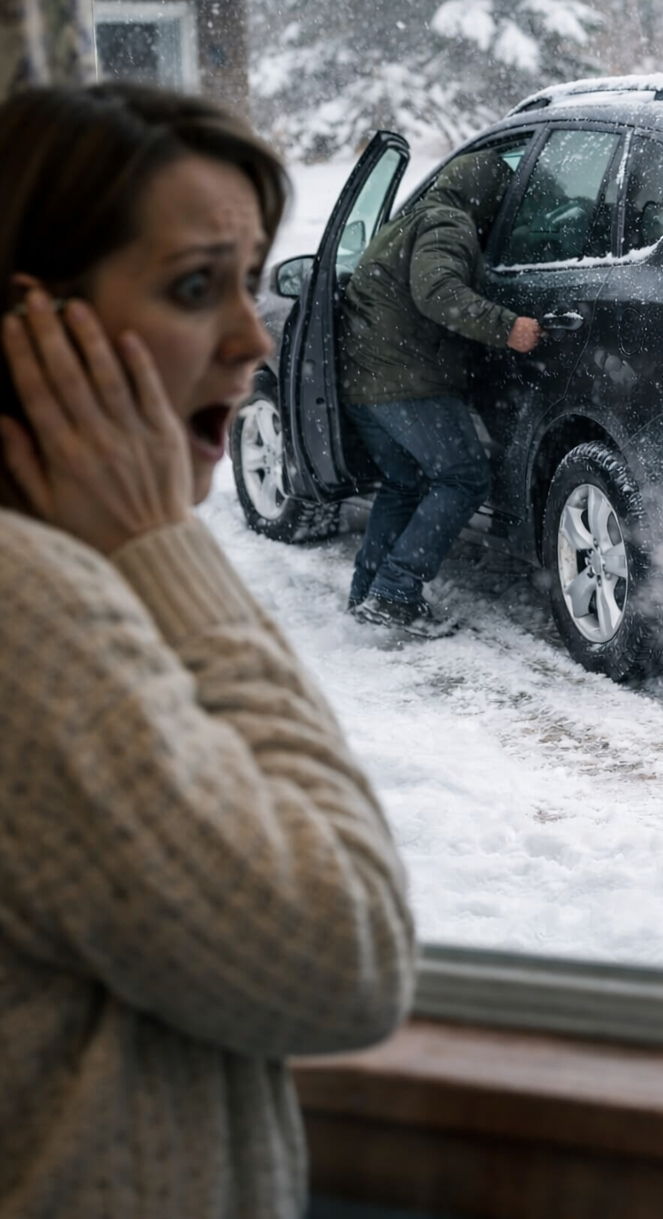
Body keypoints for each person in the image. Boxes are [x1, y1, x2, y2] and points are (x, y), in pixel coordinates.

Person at [0, 84, 416, 1219]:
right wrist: (162, 547)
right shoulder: (26, 611)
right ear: (37, 325)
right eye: (196, 288)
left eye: (250, 280)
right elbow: (345, 955)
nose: (254, 339)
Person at [339, 144, 543, 639]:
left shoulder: (410, 219)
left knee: (406, 480)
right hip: (407, 384)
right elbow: (437, 292)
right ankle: (395, 593)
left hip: (366, 383)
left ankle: (369, 590)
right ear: (487, 196)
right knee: (464, 478)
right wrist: (506, 326)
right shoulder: (448, 224)